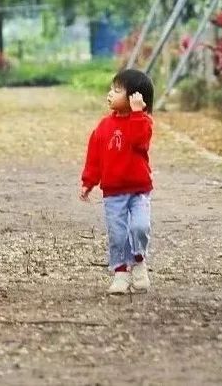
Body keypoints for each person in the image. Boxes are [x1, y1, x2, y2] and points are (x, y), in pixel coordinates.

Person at [79, 67, 154, 295]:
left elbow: (139, 142)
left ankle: (139, 261)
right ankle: (120, 273)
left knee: (140, 227)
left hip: (139, 189)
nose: (110, 94)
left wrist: (137, 113)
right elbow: (95, 157)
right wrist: (88, 181)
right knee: (118, 234)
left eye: (117, 90)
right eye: (111, 89)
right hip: (113, 192)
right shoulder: (103, 126)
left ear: (134, 97)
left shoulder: (143, 122)